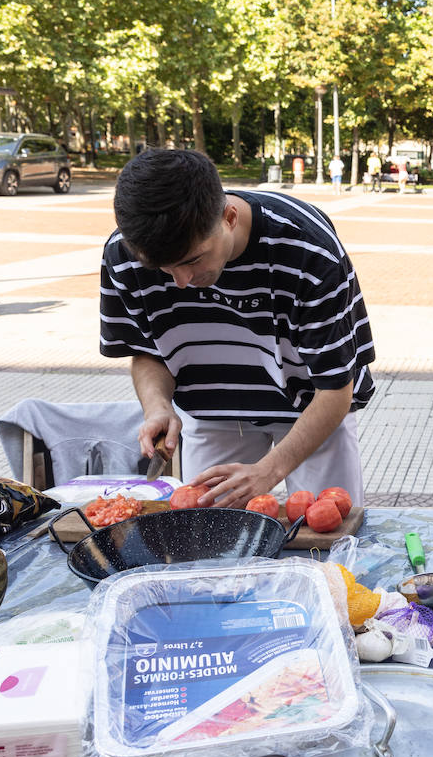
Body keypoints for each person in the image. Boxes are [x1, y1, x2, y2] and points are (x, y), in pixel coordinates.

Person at [99, 149, 376, 507]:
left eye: (193, 260)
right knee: (208, 536)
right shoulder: (125, 256)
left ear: (229, 216)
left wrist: (269, 470)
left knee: (327, 529)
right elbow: (147, 351)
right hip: (209, 411)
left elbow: (335, 388)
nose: (182, 282)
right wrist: (158, 407)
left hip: (311, 408)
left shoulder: (309, 250)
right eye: (164, 270)